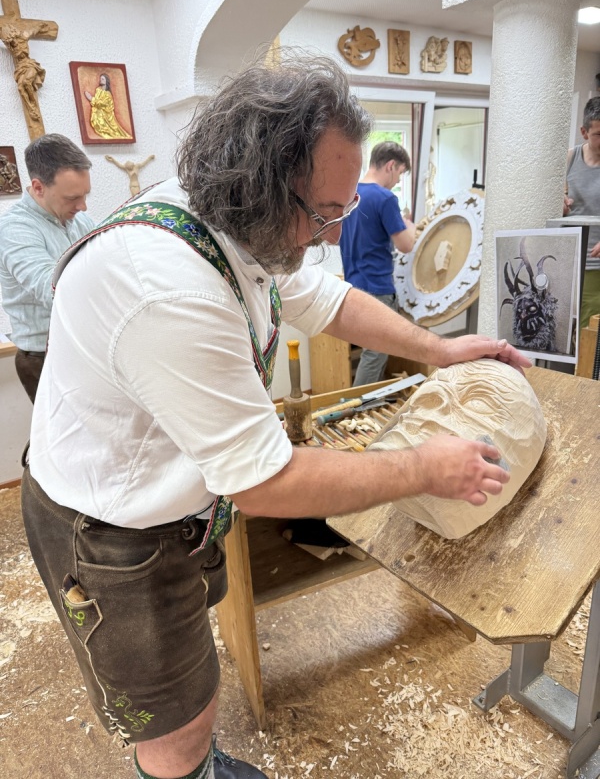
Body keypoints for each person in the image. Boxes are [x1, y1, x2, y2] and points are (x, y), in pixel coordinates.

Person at [21, 54, 528, 779]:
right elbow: (265, 483)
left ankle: (199, 758)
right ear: (258, 184)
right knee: (170, 722)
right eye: (324, 214)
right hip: (109, 530)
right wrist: (423, 468)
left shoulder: (227, 215)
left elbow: (325, 299)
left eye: (343, 211)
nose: (332, 235)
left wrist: (436, 349)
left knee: (193, 690)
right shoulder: (167, 289)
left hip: (176, 502)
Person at [0, 133, 93, 401]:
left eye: (85, 194)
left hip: (83, 346)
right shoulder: (15, 229)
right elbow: (53, 290)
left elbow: (109, 261)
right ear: (38, 187)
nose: (83, 206)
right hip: (44, 358)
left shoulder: (79, 220)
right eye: (72, 197)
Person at [339, 140, 417, 385]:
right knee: (376, 353)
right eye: (400, 173)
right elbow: (406, 245)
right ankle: (357, 404)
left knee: (372, 350)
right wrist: (410, 226)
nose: (397, 181)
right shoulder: (385, 198)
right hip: (377, 288)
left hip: (353, 285)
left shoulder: (349, 194)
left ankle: (366, 401)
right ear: (390, 166)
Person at [564, 96, 600, 331]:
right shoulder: (569, 158)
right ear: (584, 132)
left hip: (596, 265)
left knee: (592, 332)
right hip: (571, 261)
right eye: (599, 134)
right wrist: (560, 204)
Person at [84, 73, 132, 140]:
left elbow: (102, 103)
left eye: (103, 79)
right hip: (98, 113)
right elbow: (97, 101)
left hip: (106, 116)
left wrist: (91, 98)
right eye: (100, 79)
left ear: (106, 81)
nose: (101, 80)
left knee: (111, 130)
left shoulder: (108, 94)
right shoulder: (98, 90)